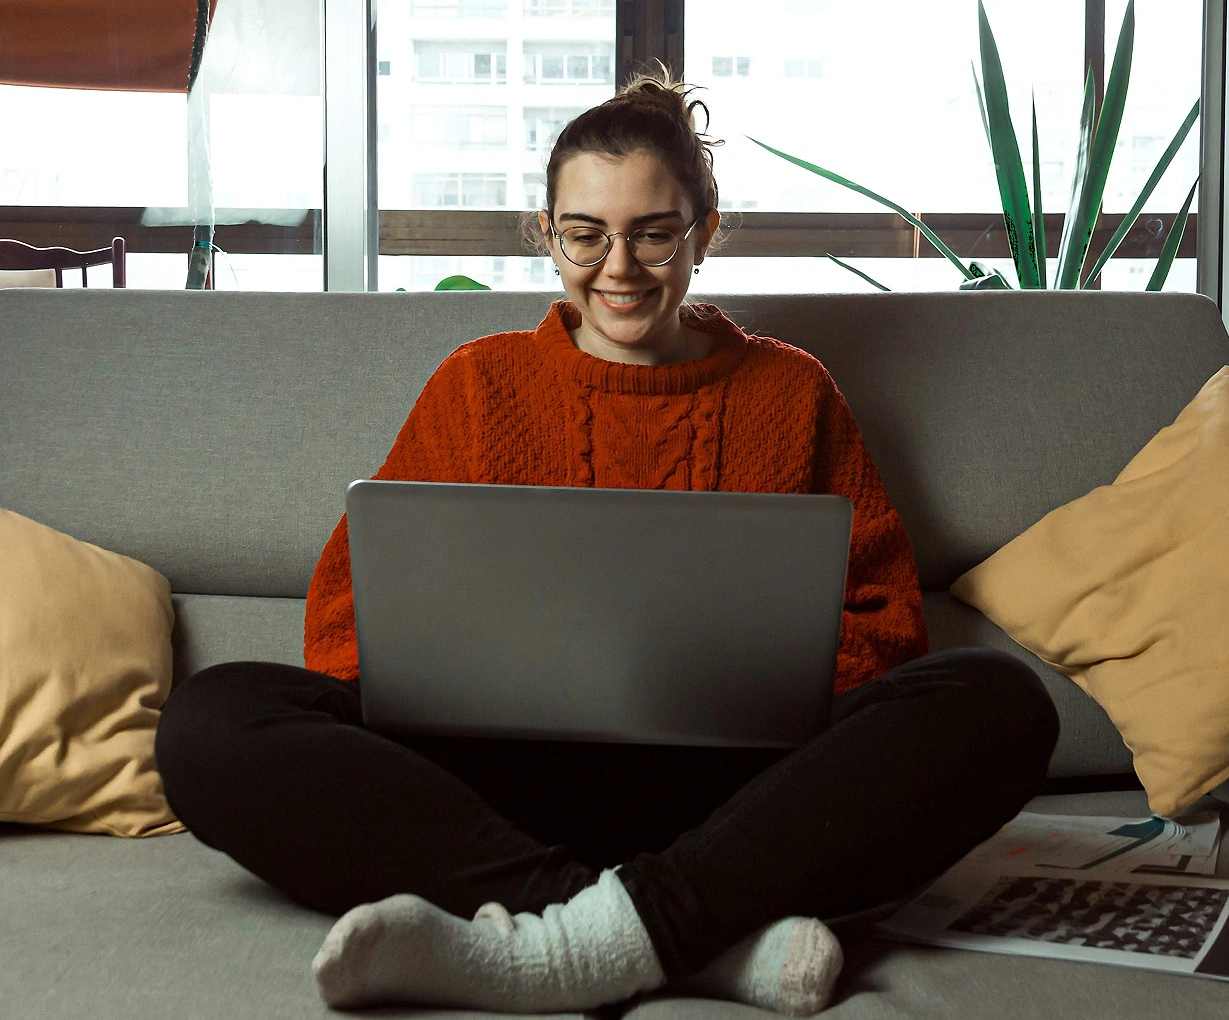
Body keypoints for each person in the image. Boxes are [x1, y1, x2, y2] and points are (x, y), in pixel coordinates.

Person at [155, 72, 1059, 1017]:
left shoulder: (794, 392)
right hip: (497, 791)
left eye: (652, 233)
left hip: (736, 795)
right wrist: (448, 686)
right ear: (547, 235)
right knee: (210, 722)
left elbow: (885, 618)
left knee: (997, 701)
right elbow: (349, 613)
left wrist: (758, 686)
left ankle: (565, 937)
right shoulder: (478, 384)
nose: (617, 267)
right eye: (584, 234)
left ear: (704, 231)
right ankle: (672, 935)